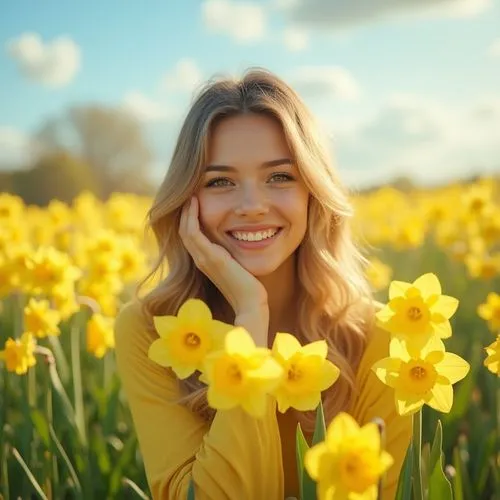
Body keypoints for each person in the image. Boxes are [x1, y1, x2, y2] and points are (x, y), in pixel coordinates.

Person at [114, 67, 412, 500]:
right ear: (185, 203)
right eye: (220, 182)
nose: (252, 206)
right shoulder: (148, 330)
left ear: (314, 192)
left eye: (280, 177)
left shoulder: (381, 339)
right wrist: (251, 318)